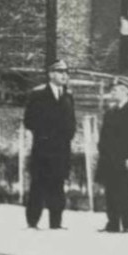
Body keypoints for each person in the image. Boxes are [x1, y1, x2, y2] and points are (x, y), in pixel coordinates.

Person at [22, 59, 77, 229]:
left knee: (58, 186)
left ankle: (56, 223)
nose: (64, 76)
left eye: (66, 73)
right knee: (38, 185)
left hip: (61, 150)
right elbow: (29, 120)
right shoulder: (38, 95)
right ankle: (33, 221)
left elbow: (71, 122)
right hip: (43, 149)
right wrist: (46, 134)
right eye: (60, 72)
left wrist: (67, 136)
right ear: (51, 74)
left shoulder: (68, 96)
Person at [96, 78, 128, 232]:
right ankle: (113, 223)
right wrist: (102, 153)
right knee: (111, 192)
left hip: (125, 159)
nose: (112, 93)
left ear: (125, 91)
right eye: (112, 90)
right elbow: (104, 136)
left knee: (126, 192)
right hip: (110, 158)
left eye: (115, 90)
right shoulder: (110, 112)